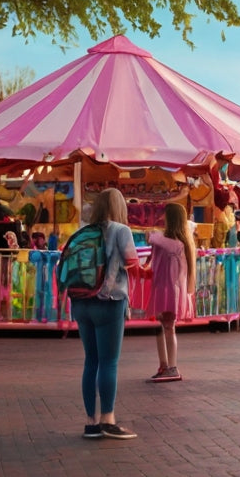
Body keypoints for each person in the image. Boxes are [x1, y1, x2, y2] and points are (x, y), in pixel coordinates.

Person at [71, 188, 139, 440]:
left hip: (81, 302)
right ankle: (108, 419)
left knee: (91, 361)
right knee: (109, 362)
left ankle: (90, 422)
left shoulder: (83, 230)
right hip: (109, 302)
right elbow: (132, 263)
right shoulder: (121, 230)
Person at [144, 202, 196, 382]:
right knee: (162, 327)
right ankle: (164, 364)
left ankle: (172, 367)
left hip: (168, 291)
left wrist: (151, 236)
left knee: (167, 327)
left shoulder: (177, 245)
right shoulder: (180, 243)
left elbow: (155, 238)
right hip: (164, 290)